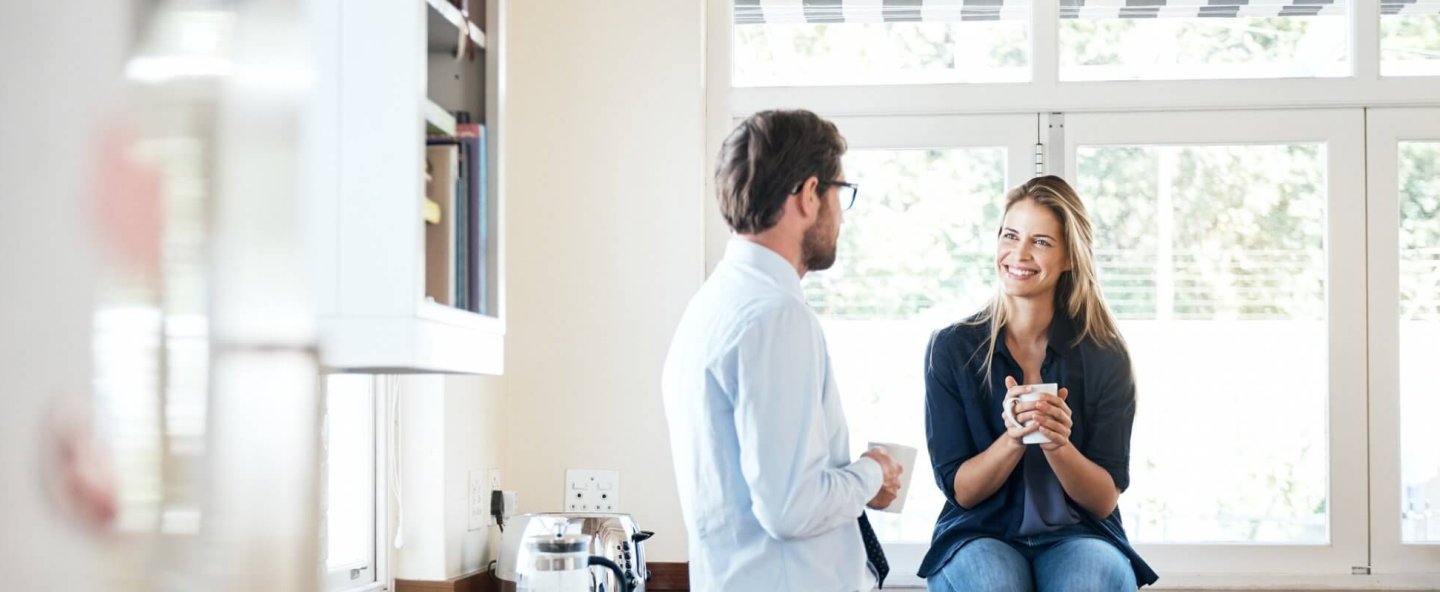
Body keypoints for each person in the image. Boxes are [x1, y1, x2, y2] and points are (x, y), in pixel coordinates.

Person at [662, 109, 903, 592]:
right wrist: (871, 473)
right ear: (809, 194)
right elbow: (792, 506)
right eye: (840, 193)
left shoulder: (711, 304)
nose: (840, 214)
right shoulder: (776, 316)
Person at [919, 176, 1159, 591]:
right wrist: (1014, 439)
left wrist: (1057, 443)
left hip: (1080, 534)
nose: (1020, 253)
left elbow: (1103, 500)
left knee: (1088, 580)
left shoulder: (1104, 355)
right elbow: (962, 490)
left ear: (1069, 257)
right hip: (981, 532)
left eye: (1041, 242)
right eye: (1011, 236)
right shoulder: (954, 349)